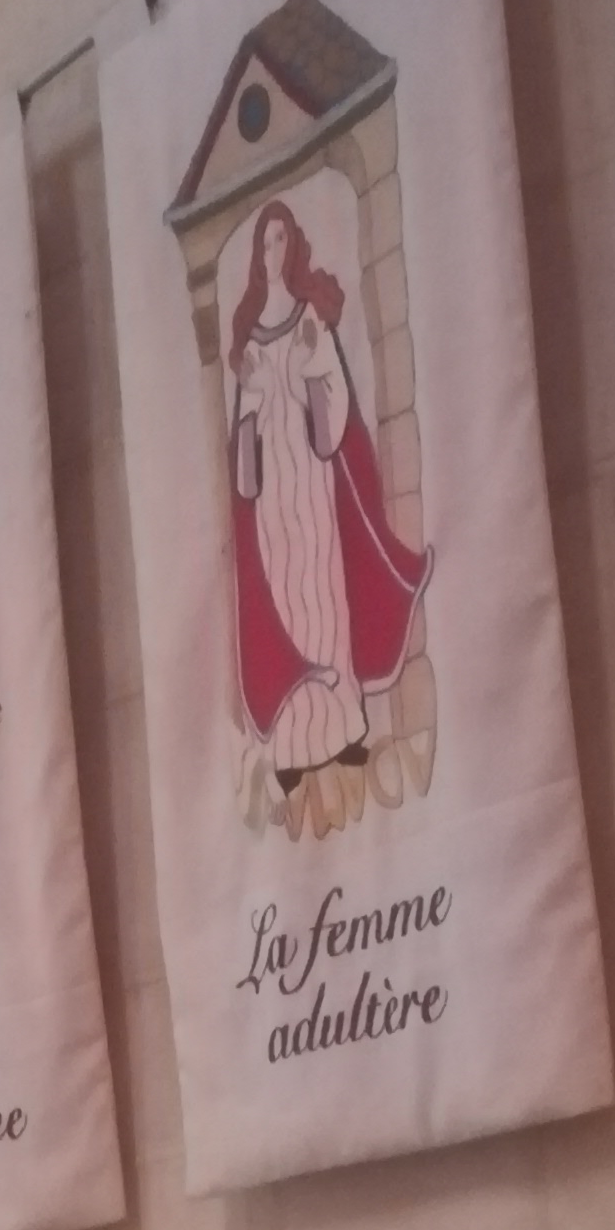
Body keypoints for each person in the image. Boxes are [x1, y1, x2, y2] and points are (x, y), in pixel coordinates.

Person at [225, 197, 427, 791]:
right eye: (264, 244)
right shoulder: (251, 345)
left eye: (280, 241)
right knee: (288, 606)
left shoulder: (310, 321)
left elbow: (333, 412)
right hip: (273, 497)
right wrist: (253, 405)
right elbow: (243, 442)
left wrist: (308, 373)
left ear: (293, 247)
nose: (271, 253)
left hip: (311, 482)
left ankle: (342, 732)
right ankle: (293, 749)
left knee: (325, 597)